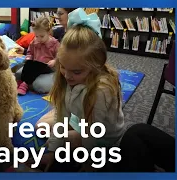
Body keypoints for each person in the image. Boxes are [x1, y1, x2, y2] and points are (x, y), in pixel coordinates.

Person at [33, 8, 125, 172]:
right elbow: (61, 117)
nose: (67, 76)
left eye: (76, 72)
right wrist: (52, 151)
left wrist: (89, 162)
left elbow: (94, 132)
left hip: (101, 135)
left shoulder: (100, 91)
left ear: (95, 66)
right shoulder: (68, 75)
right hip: (81, 118)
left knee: (68, 139)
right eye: (63, 67)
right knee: (42, 126)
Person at [16, 17, 60, 95]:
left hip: (48, 68)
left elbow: (60, 56)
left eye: (42, 36)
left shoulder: (54, 44)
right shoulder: (34, 42)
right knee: (23, 69)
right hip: (35, 65)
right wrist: (28, 58)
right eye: (36, 36)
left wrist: (54, 61)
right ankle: (23, 82)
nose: (39, 39)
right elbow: (30, 52)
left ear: (49, 32)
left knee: (33, 69)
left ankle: (25, 84)